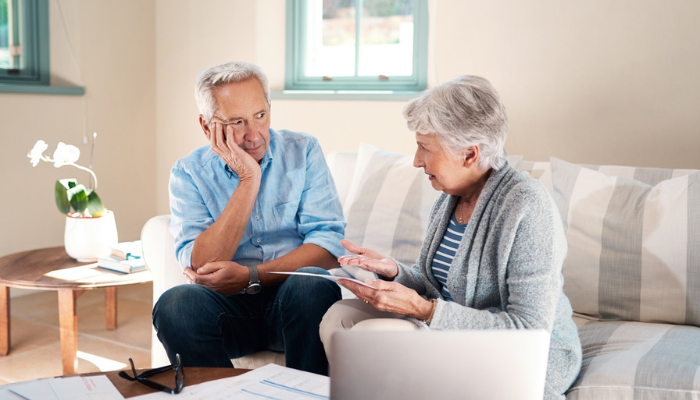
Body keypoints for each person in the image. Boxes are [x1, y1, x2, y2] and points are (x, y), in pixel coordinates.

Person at [320, 76, 582, 399]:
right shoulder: (450, 198)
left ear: (470, 155)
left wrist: (426, 311)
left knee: (373, 337)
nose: (417, 160)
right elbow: (435, 285)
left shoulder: (527, 207)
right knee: (337, 320)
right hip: (448, 333)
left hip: (521, 356)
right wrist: (395, 272)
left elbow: (528, 332)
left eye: (425, 148)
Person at [153, 61, 345, 375]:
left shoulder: (303, 150)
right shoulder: (188, 172)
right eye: (237, 122)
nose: (254, 135)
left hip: (295, 302)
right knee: (175, 305)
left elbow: (328, 246)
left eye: (260, 115)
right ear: (207, 127)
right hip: (229, 311)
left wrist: (252, 275)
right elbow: (202, 264)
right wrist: (248, 180)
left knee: (312, 285)